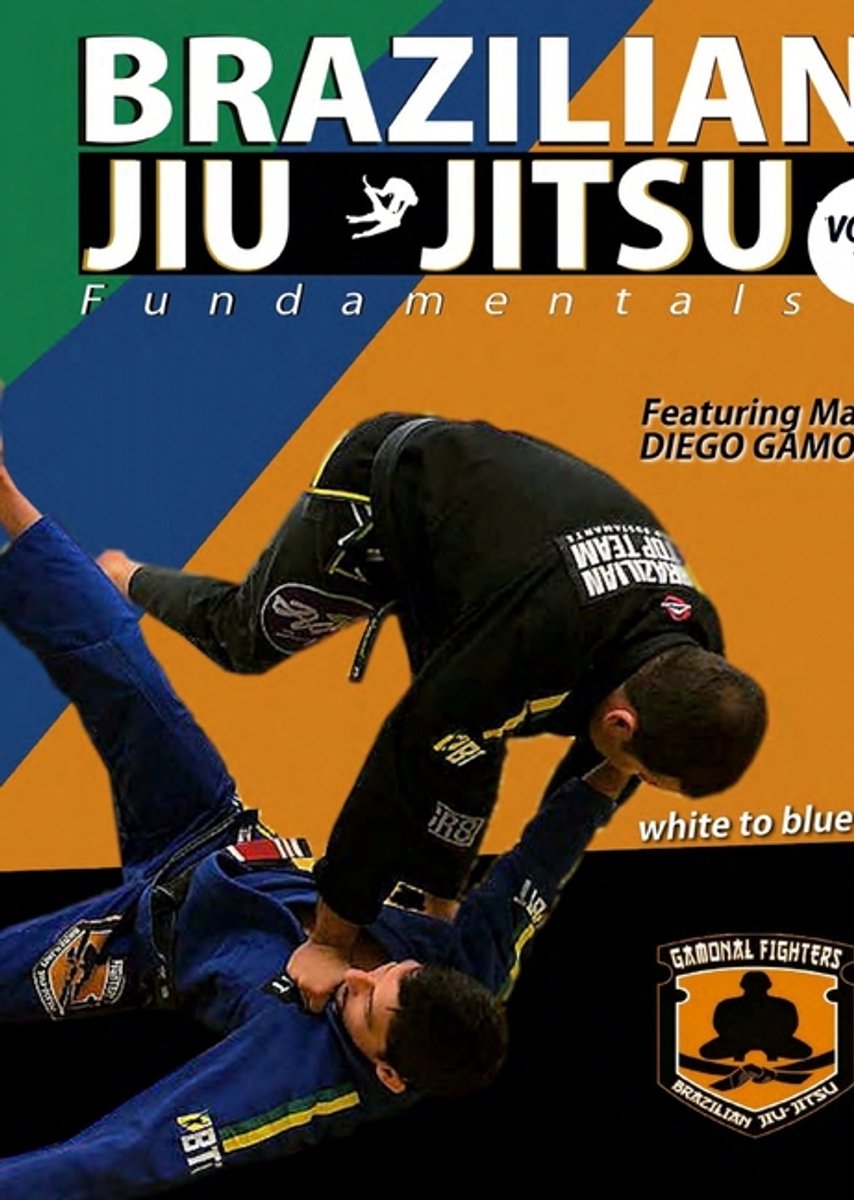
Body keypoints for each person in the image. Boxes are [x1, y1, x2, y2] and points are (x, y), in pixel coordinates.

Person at [0, 450, 630, 1198]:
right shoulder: (471, 967)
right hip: (217, 830)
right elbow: (543, 859)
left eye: (364, 1007)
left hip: (141, 940)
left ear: (386, 1073)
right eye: (388, 975)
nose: (357, 979)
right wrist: (621, 765)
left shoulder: (299, 1081)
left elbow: (128, 1150)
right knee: (127, 678)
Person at [98, 413, 767, 1007]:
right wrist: (331, 941)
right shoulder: (530, 643)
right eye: (643, 773)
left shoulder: (689, 644)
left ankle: (435, 905)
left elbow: (571, 788)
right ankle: (122, 575)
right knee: (247, 641)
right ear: (623, 722)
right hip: (384, 485)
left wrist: (448, 921)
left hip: (492, 548)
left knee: (475, 733)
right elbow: (402, 768)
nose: (628, 780)